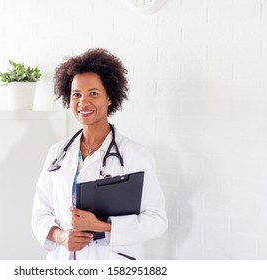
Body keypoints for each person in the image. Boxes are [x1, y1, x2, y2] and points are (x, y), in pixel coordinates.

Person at [31, 48, 167, 260]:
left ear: (109, 97)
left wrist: (102, 227)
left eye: (93, 93)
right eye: (76, 94)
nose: (83, 102)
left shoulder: (135, 156)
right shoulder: (57, 154)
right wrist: (61, 236)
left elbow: (156, 220)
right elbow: (40, 212)